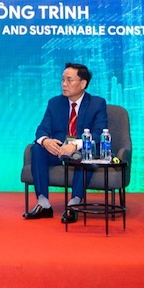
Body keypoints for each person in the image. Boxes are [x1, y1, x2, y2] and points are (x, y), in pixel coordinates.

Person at [23, 62, 107, 224]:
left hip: (80, 151)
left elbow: (99, 133)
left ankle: (74, 204)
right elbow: (42, 129)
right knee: (37, 149)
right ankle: (43, 203)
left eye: (69, 80)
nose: (64, 84)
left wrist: (75, 144)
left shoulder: (97, 104)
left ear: (83, 83)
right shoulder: (55, 103)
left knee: (86, 153)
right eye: (62, 79)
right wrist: (46, 141)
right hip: (58, 151)